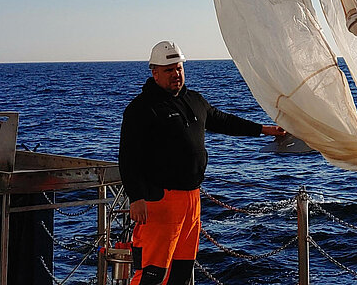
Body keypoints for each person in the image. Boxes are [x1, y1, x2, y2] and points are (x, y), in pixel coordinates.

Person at [119, 41, 285, 285]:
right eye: (169, 70)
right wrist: (136, 198)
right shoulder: (141, 109)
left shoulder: (194, 100)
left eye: (179, 68)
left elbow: (223, 121)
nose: (176, 74)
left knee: (181, 270)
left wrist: (263, 130)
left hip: (191, 199)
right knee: (153, 273)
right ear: (154, 73)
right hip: (160, 201)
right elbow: (128, 156)